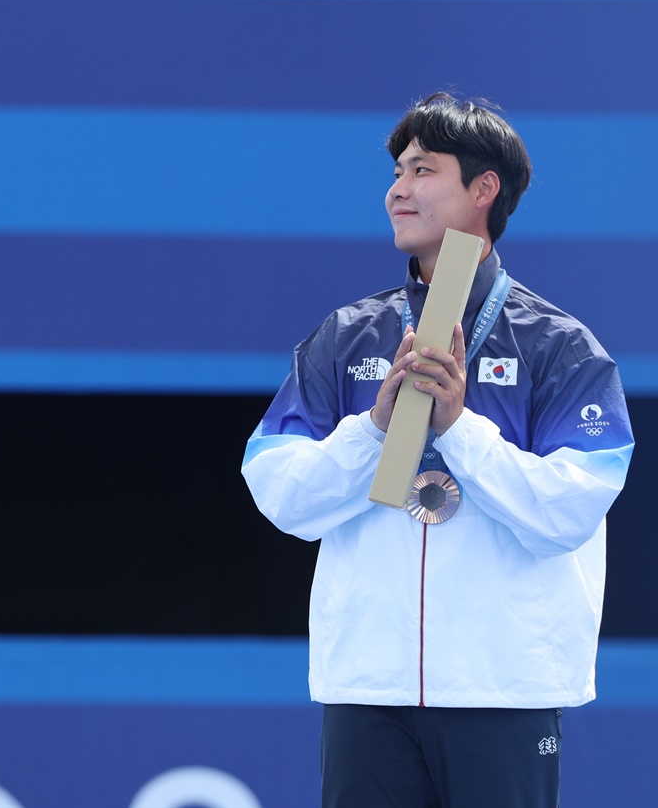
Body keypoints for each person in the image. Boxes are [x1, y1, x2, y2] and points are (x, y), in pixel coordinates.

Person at [241, 92, 633, 807]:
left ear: (485, 189)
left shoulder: (560, 346)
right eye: (395, 171)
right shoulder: (347, 336)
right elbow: (278, 488)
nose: (397, 189)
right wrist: (373, 433)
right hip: (369, 688)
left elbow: (570, 510)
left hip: (503, 688)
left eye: (422, 169)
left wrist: (460, 429)